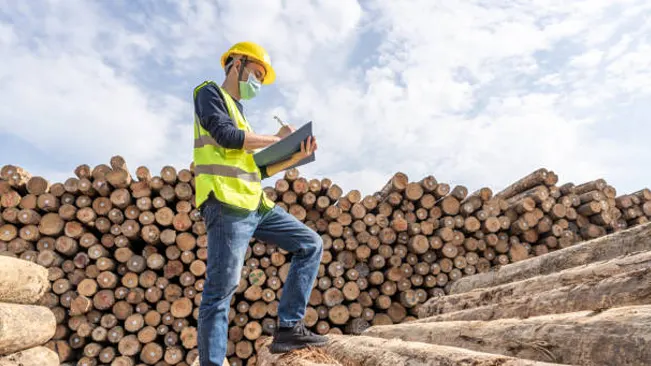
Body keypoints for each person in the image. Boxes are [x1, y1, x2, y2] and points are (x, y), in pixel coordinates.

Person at [193, 41, 327, 366]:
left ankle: (289, 328)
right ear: (236, 64)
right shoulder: (209, 93)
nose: (256, 84)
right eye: (255, 74)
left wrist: (295, 153)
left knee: (310, 244)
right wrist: (278, 138)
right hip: (226, 203)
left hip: (256, 205)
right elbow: (226, 137)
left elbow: (259, 167)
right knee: (221, 290)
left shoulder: (244, 116)